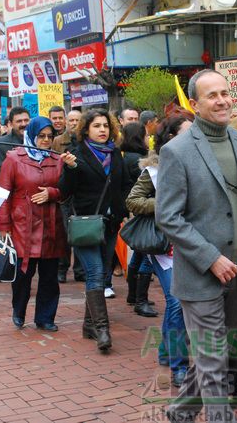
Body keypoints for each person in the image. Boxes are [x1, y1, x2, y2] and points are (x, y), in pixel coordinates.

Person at [156, 69, 237, 423]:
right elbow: (169, 217)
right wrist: (210, 258)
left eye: (224, 93)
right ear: (195, 104)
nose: (221, 100)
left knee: (212, 357)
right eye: (211, 95)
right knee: (215, 361)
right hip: (201, 275)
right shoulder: (177, 151)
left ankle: (180, 412)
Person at [126, 115, 193, 387]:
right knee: (177, 301)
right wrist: (166, 203)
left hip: (194, 242)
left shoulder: (202, 162)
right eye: (186, 132)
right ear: (170, 137)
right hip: (166, 246)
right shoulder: (153, 170)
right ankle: (179, 365)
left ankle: (167, 352)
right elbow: (133, 201)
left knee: (180, 304)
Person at [59, 109, 132, 352]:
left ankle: (88, 325)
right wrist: (69, 169)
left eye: (105, 125)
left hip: (110, 225)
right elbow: (65, 191)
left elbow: (123, 186)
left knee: (101, 275)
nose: (102, 130)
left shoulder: (115, 153)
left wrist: (121, 209)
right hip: (86, 224)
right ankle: (103, 329)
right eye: (96, 126)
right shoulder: (77, 154)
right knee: (96, 271)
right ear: (86, 130)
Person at [0, 117, 75, 331]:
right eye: (41, 136)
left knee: (50, 276)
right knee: (23, 275)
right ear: (32, 135)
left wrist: (51, 193)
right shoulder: (14, 158)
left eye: (50, 137)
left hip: (51, 223)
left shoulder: (57, 159)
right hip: (23, 224)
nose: (46, 140)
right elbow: (4, 194)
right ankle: (19, 312)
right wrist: (3, 225)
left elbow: (66, 190)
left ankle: (45, 317)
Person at [120, 122, 158, 317]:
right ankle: (139, 298)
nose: (147, 139)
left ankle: (133, 295)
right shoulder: (141, 162)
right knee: (147, 255)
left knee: (139, 253)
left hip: (136, 211)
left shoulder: (125, 156)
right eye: (144, 135)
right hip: (144, 212)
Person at [53, 109, 85, 283]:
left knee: (80, 231)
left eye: (77, 120)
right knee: (64, 234)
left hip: (80, 193)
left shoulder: (86, 141)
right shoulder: (58, 141)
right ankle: (62, 268)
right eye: (71, 120)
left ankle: (80, 269)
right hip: (64, 193)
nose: (73, 123)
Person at [0, 107, 30, 182]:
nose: (24, 124)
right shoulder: (0, 144)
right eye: (19, 121)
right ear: (11, 124)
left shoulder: (38, 141)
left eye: (26, 120)